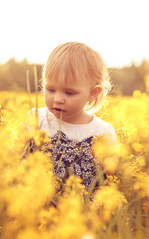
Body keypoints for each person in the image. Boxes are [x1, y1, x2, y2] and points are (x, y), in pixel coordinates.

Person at [27, 42, 118, 193]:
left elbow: (113, 166)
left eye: (69, 93)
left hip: (82, 210)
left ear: (92, 93)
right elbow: (13, 148)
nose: (57, 99)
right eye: (50, 89)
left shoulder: (102, 131)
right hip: (36, 202)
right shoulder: (37, 118)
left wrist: (110, 163)